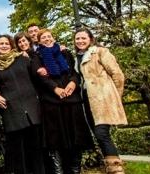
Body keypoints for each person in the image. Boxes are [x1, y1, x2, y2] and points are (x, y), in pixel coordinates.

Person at [35, 29, 92, 174]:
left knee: (75, 137)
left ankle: (75, 170)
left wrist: (72, 83)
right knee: (55, 140)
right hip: (52, 102)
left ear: (53, 38)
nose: (47, 39)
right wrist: (55, 89)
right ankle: (58, 171)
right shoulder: (37, 56)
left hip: (71, 99)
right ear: (39, 41)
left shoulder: (65, 52)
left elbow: (74, 72)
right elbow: (41, 78)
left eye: (49, 36)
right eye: (43, 37)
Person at [74, 29, 127, 174]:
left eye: (83, 38)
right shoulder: (77, 57)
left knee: (102, 133)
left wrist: (115, 97)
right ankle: (110, 167)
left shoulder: (100, 52)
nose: (80, 41)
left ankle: (117, 169)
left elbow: (117, 74)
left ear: (90, 39)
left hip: (103, 99)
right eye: (77, 38)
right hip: (88, 101)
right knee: (99, 135)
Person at [0, 34, 45, 174]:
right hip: (11, 110)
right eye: (1, 43)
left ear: (11, 46)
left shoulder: (22, 58)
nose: (4, 46)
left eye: (7, 43)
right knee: (18, 150)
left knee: (36, 148)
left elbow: (37, 75)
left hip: (31, 107)